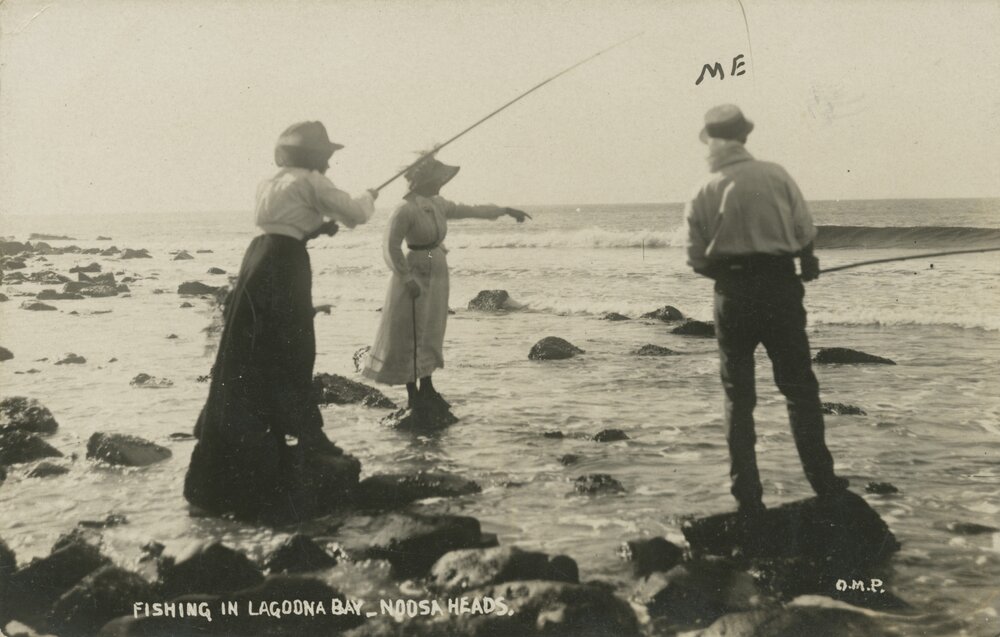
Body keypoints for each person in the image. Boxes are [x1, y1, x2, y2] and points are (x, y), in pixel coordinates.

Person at [184, 121, 377, 521]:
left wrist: (315, 228)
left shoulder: (270, 183)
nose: (329, 161)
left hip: (258, 259)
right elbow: (356, 214)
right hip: (287, 264)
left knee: (249, 351)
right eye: (326, 155)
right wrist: (369, 196)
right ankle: (308, 435)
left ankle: (266, 437)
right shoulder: (313, 181)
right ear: (313, 156)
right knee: (294, 350)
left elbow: (283, 225)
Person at [684, 105, 848, 522]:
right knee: (799, 389)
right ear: (744, 136)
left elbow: (697, 259)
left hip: (732, 295)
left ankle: (747, 498)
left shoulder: (703, 189)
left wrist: (734, 277)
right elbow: (804, 231)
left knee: (738, 399)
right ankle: (824, 482)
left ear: (711, 141)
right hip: (780, 290)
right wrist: (806, 263)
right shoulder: (776, 175)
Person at [362, 157, 530, 409]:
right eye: (437, 180)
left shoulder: (437, 204)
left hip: (436, 264)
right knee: (412, 329)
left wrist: (505, 210)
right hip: (415, 268)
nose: (441, 184)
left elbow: (471, 210)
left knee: (432, 328)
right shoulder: (405, 209)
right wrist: (406, 277)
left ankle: (427, 385)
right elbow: (390, 247)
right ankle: (412, 392)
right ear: (424, 181)